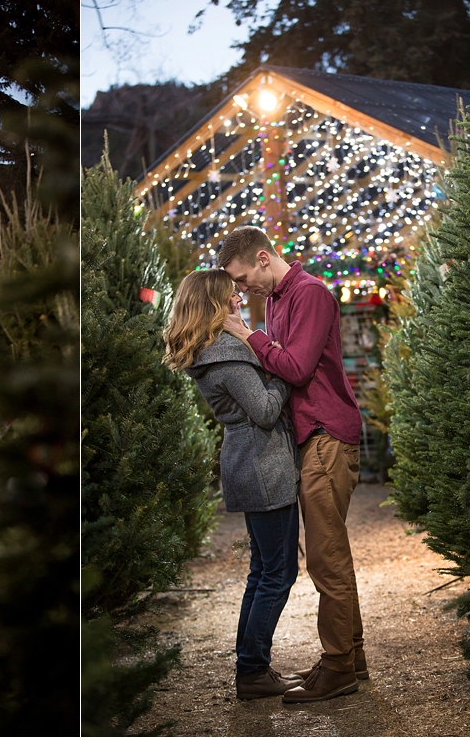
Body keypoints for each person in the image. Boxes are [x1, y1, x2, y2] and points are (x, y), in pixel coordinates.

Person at [218, 225, 366, 704]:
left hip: (325, 433)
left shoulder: (310, 293)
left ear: (264, 258)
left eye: (242, 279)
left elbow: (297, 368)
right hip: (308, 438)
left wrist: (247, 334)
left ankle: (339, 667)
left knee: (326, 558)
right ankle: (350, 657)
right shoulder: (277, 300)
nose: (242, 290)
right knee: (330, 552)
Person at [163, 268, 303, 701]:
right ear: (213, 304)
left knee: (262, 571)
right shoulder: (227, 353)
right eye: (231, 297)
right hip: (264, 467)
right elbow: (263, 410)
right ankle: (253, 671)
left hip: (247, 462)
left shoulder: (213, 351)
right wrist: (284, 370)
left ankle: (252, 666)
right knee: (279, 574)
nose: (239, 301)